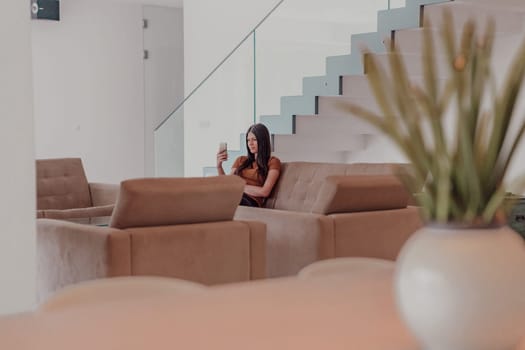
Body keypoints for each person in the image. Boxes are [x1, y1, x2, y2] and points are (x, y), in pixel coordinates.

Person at [217, 123, 281, 207]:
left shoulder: (273, 161)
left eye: (254, 139)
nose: (250, 143)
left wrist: (239, 187)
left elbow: (265, 191)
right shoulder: (240, 160)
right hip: (233, 195)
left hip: (250, 200)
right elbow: (228, 184)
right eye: (248, 140)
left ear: (263, 141)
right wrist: (219, 166)